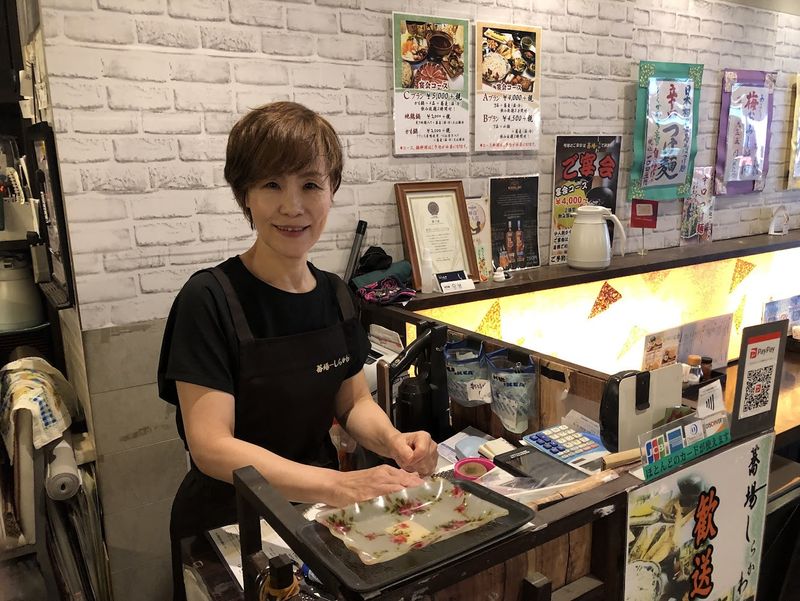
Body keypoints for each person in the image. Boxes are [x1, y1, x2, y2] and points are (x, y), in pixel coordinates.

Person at [157, 102, 439, 600]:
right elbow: (211, 446)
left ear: (331, 191)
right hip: (228, 524)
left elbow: (352, 401)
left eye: (310, 184)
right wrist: (339, 485)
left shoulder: (336, 294)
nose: (293, 206)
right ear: (245, 195)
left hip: (315, 516)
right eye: (271, 185)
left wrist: (394, 441)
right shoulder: (208, 299)